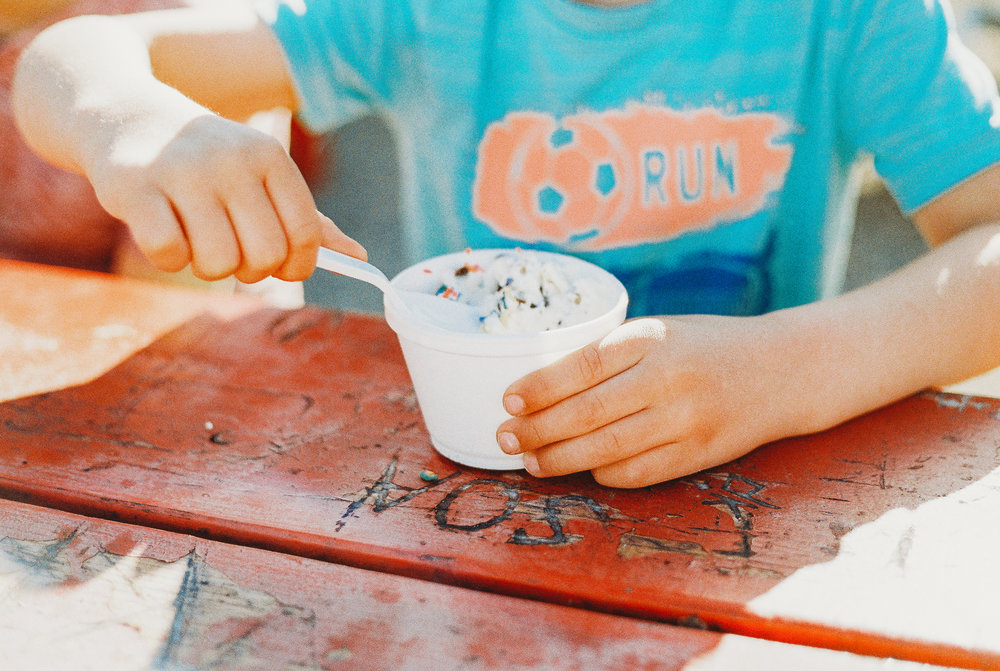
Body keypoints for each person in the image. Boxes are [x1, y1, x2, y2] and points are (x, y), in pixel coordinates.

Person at [11, 0, 1000, 488]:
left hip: (762, 485)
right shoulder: (420, 14)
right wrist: (131, 123)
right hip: (471, 488)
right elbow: (66, 58)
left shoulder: (851, 18)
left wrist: (794, 369)